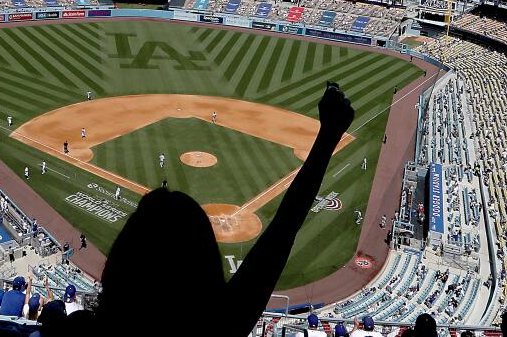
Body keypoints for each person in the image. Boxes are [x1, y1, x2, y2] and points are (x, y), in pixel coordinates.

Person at [96, 82, 354, 336]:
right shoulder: (223, 324)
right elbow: (285, 226)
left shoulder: (83, 324)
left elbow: (284, 228)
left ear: (122, 260)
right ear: (205, 261)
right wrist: (329, 134)